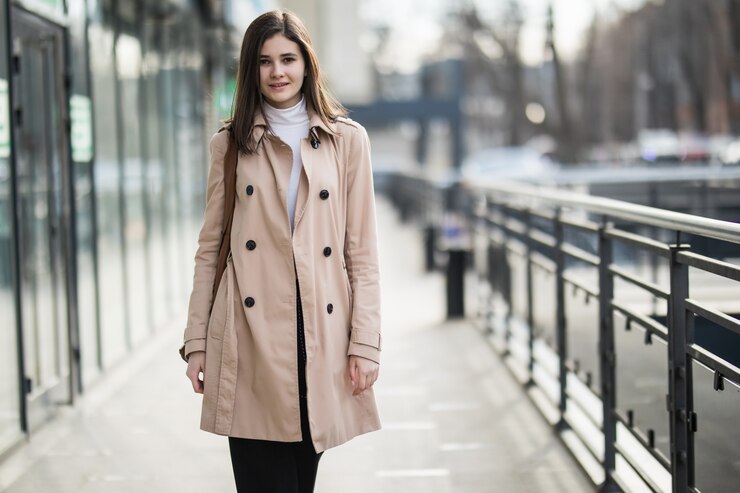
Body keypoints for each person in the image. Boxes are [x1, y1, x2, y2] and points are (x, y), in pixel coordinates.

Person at [181, 9, 382, 493]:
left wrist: (365, 342)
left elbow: (362, 254)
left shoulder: (347, 141)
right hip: (249, 334)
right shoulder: (229, 145)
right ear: (252, 69)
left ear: (307, 64)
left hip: (318, 334)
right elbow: (211, 248)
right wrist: (197, 341)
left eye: (288, 59)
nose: (278, 72)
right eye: (266, 61)